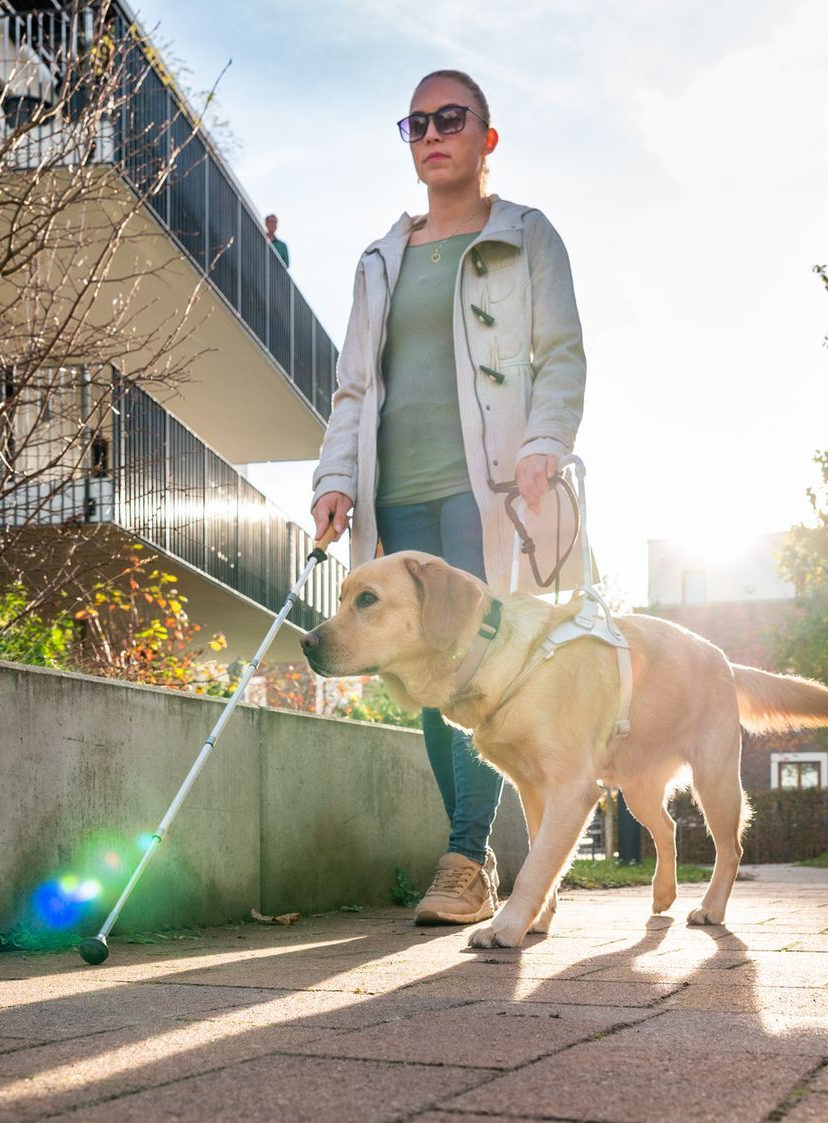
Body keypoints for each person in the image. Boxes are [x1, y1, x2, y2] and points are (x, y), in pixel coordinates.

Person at [310, 69, 586, 926]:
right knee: (424, 669)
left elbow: (561, 354)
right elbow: (354, 388)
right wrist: (334, 481)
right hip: (399, 498)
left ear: (485, 138)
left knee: (483, 667)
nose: (432, 134)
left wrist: (545, 443)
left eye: (450, 119)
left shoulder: (525, 237)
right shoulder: (380, 260)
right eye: (416, 123)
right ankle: (478, 852)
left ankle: (468, 857)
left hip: (490, 491)